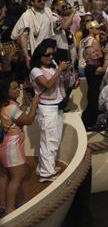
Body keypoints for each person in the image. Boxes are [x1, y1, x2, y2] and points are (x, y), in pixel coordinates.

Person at [29, 41, 71, 182]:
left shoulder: (53, 66)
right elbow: (46, 84)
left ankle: (44, 167)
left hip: (57, 106)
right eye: (47, 54)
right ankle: (46, 174)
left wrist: (66, 72)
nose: (51, 57)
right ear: (40, 55)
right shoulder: (36, 71)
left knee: (54, 140)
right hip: (46, 108)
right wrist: (59, 70)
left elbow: (63, 84)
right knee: (49, 141)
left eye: (52, 54)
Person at [1, 76, 40, 214]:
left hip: (3, 144)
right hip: (13, 146)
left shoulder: (5, 105)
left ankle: (2, 204)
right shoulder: (11, 107)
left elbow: (15, 117)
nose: (19, 89)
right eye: (14, 88)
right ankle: (10, 209)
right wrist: (34, 103)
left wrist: (24, 105)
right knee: (17, 177)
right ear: (6, 91)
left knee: (4, 176)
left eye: (18, 87)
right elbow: (28, 120)